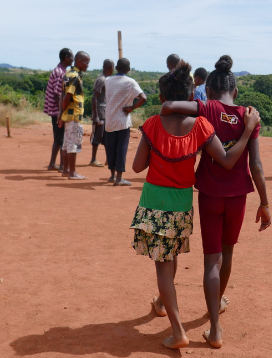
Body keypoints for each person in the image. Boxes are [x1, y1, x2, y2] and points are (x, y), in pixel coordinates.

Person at [130, 61, 261, 350]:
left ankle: (178, 331)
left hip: (154, 201)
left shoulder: (152, 124)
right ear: (193, 96)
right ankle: (162, 301)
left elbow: (137, 167)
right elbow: (226, 160)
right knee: (172, 255)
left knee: (163, 265)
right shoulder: (201, 126)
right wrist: (247, 129)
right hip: (182, 202)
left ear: (163, 97)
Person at [104, 58, 147, 186]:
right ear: (128, 69)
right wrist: (131, 108)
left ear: (116, 67)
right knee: (121, 148)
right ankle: (119, 178)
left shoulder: (107, 80)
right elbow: (143, 98)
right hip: (122, 120)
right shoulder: (130, 82)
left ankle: (112, 175)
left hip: (110, 119)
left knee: (110, 148)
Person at [60, 51, 90, 179]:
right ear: (79, 62)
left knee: (66, 144)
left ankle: (66, 170)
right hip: (74, 115)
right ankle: (72, 173)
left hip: (67, 115)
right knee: (73, 144)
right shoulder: (75, 76)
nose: (88, 65)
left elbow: (63, 95)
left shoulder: (68, 73)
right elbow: (67, 97)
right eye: (86, 62)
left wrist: (61, 114)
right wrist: (64, 110)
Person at [44, 48, 73, 172]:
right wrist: (61, 112)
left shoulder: (59, 70)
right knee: (61, 139)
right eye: (71, 57)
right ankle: (61, 166)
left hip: (55, 110)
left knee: (59, 139)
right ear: (66, 57)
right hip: (57, 111)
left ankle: (53, 164)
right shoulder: (61, 73)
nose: (73, 59)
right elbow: (58, 94)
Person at [89, 59, 114, 167]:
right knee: (98, 136)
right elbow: (94, 97)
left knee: (106, 137)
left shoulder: (105, 79)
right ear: (111, 68)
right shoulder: (101, 80)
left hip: (105, 112)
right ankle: (93, 159)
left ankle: (108, 159)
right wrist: (95, 116)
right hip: (100, 112)